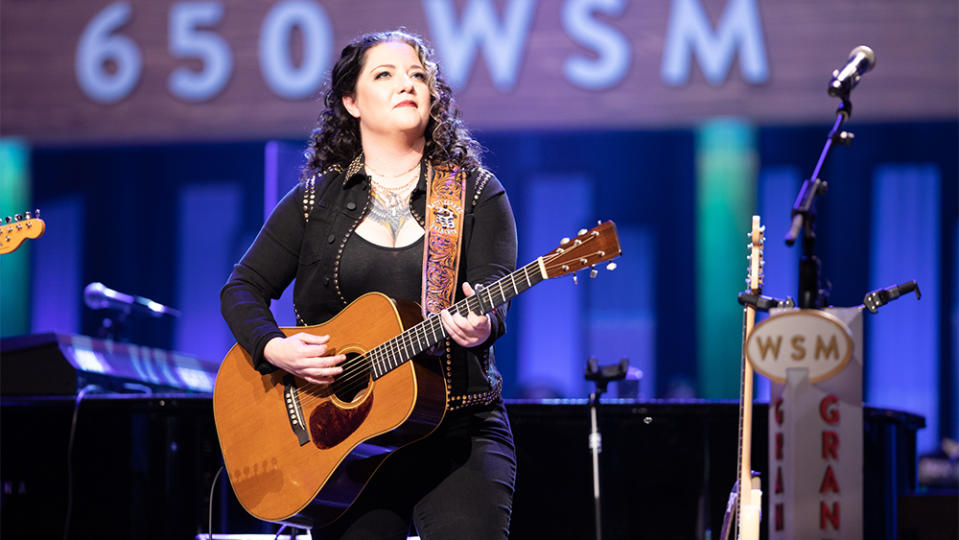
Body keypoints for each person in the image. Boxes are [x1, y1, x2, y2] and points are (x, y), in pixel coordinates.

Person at [220, 29, 518, 540]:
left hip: (456, 433)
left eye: (418, 76)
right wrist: (274, 349)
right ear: (351, 102)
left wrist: (483, 321)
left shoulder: (474, 191)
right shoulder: (314, 202)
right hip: (343, 446)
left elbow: (490, 293)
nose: (408, 84)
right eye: (386, 75)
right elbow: (242, 288)